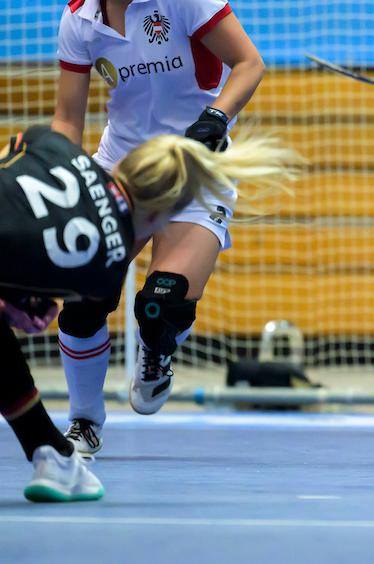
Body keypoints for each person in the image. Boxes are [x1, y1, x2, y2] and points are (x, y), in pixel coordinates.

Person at [50, 0, 266, 454]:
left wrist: (215, 119)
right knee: (84, 299)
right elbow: (68, 118)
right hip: (121, 169)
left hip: (194, 167)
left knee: (162, 302)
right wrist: (57, 170)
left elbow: (248, 64)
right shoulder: (78, 17)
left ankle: (157, 348)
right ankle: (85, 421)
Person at [0, 125, 297, 499]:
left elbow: (13, 157)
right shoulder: (104, 262)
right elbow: (29, 307)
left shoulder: (52, 143)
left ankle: (52, 453)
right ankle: (54, 456)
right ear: (162, 217)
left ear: (122, 164)